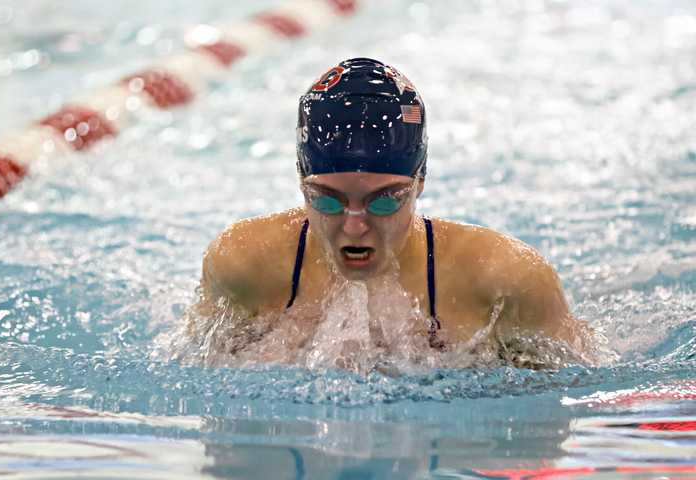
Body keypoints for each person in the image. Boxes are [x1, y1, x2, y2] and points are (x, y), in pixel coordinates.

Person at [185, 58, 592, 371]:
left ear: (420, 182)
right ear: (300, 181)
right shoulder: (243, 265)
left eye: (384, 201)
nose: (356, 225)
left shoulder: (503, 280)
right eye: (328, 200)